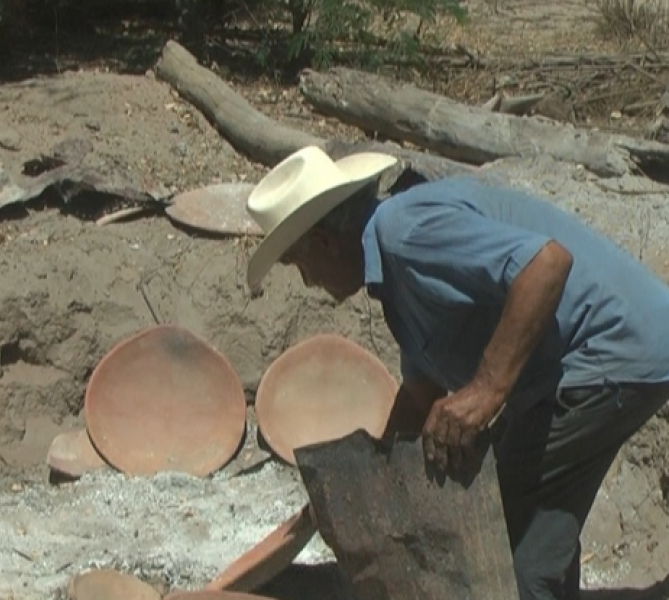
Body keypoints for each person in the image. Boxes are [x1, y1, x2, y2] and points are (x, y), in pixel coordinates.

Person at [245, 145, 669, 600]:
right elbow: (418, 397)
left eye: (299, 264)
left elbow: (545, 265)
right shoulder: (395, 272)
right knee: (533, 534)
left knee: (497, 539)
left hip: (606, 351)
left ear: (325, 242)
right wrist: (361, 484)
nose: (308, 281)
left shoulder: (406, 232)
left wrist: (486, 389)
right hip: (602, 360)